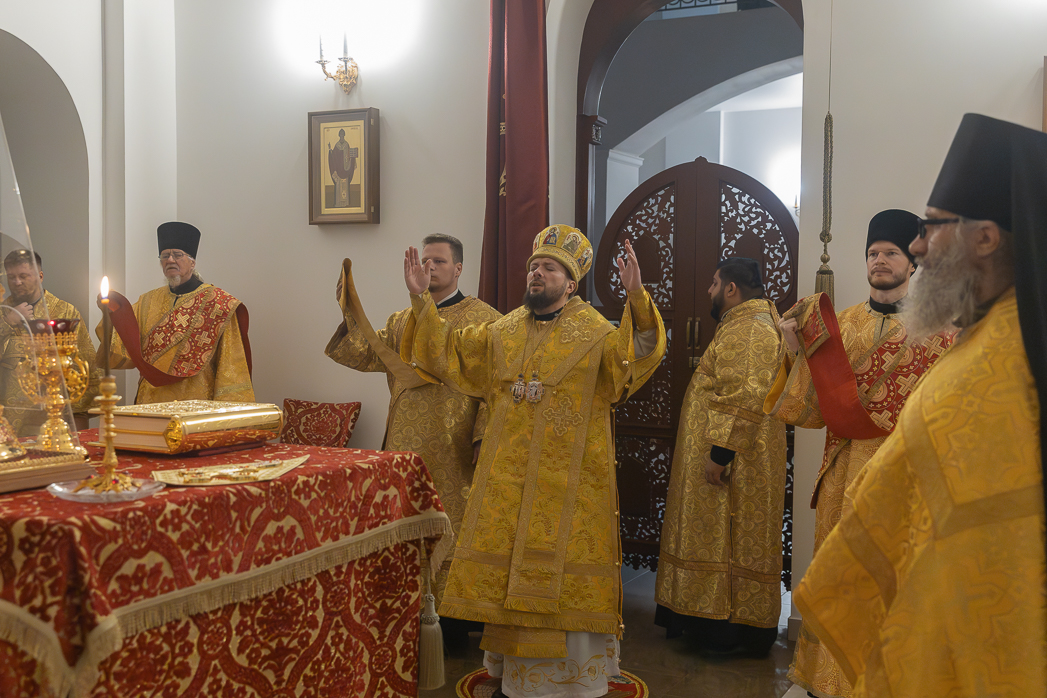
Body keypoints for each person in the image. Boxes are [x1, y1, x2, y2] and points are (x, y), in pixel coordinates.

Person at [793, 113, 1047, 696]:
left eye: (931, 227)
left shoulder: (1003, 357)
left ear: (985, 238)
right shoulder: (990, 335)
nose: (915, 247)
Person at [402, 225, 666, 698]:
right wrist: (422, 300)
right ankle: (513, 677)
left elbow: (637, 355)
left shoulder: (596, 333)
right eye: (533, 267)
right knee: (510, 574)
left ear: (571, 283)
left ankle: (572, 682)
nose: (537, 274)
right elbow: (447, 352)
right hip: (509, 481)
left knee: (563, 578)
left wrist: (636, 298)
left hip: (571, 487)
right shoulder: (502, 331)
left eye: (549, 268)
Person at [766, 209, 953, 698]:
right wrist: (793, 350)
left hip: (902, 478)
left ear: (912, 262)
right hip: (842, 470)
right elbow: (807, 409)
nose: (880, 260)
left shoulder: (941, 332)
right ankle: (820, 680)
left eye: (891, 252)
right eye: (873, 253)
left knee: (889, 579)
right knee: (836, 576)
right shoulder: (840, 325)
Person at [325, 233, 500, 640]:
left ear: (459, 268)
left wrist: (483, 435)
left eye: (439, 261)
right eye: (425, 261)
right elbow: (365, 355)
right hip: (403, 443)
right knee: (407, 525)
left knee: (452, 525)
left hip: (454, 445)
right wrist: (350, 310)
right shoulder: (402, 320)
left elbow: (495, 383)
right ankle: (406, 614)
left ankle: (453, 621)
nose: (429, 267)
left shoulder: (485, 319)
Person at [654, 257, 787, 655]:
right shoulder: (749, 323)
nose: (710, 291)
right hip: (737, 454)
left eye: (714, 283)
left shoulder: (749, 329)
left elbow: (744, 395)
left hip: (735, 463)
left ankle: (725, 631)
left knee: (727, 539)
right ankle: (710, 624)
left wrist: (719, 454)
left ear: (731, 289)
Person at [98, 222, 254, 404]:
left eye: (178, 255)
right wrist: (111, 312)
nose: (170, 260)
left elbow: (231, 366)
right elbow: (122, 345)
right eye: (165, 256)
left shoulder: (219, 304)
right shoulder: (147, 301)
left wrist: (225, 412)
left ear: (192, 262)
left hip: (195, 405)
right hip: (149, 404)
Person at [0, 250, 99, 434]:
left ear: (40, 276)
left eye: (23, 276)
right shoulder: (2, 311)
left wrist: (78, 425)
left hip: (51, 421)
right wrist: (7, 323)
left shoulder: (65, 312)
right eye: (12, 277)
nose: (17, 282)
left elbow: (83, 368)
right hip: (5, 423)